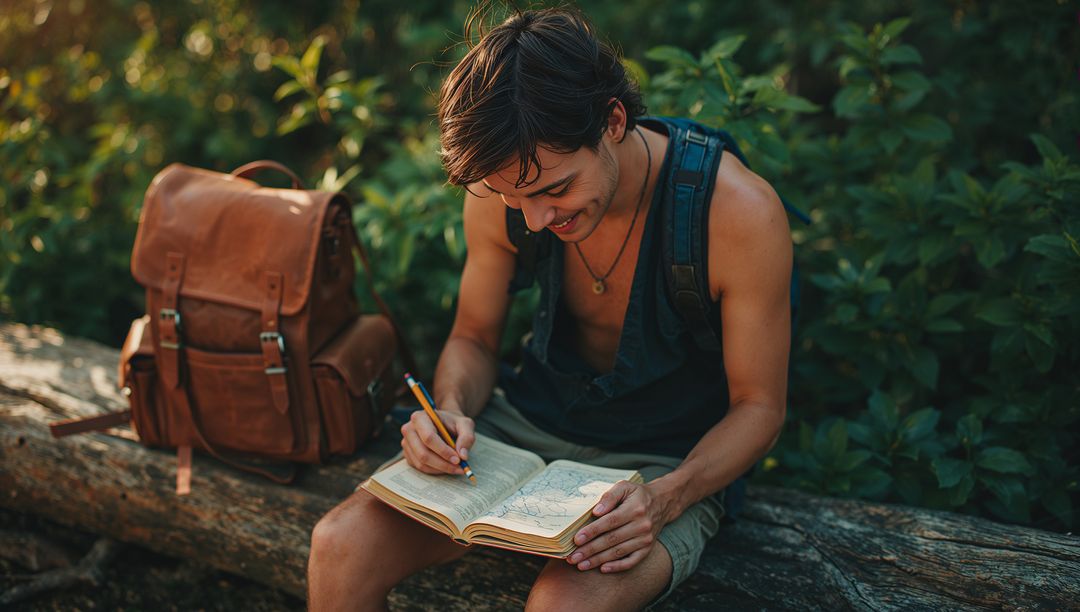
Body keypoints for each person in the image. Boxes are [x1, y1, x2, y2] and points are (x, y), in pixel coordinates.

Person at [308, 7, 792, 611]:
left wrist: (667, 497)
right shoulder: (506, 185)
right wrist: (449, 410)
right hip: (523, 428)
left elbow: (759, 407)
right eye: (514, 198)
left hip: (666, 459)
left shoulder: (737, 213)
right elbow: (474, 337)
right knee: (339, 546)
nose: (535, 219)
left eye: (556, 189)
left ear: (613, 121)